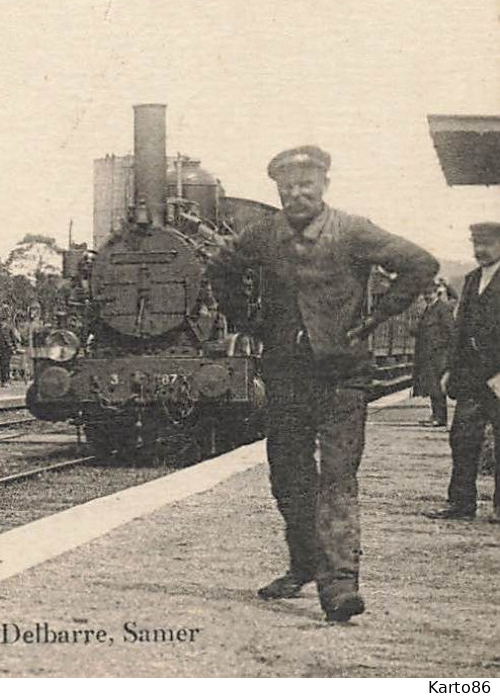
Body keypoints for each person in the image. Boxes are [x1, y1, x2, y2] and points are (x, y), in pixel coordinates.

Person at [207, 145, 436, 622]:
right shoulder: (264, 234)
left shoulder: (353, 230)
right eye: (287, 187)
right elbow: (221, 267)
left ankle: (339, 585)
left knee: (336, 478)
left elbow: (420, 263)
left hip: (342, 377)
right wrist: (247, 320)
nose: (296, 194)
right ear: (278, 190)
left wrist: (379, 315)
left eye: (306, 184)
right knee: (288, 477)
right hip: (287, 375)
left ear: (325, 184)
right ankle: (302, 566)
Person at [427, 222, 500, 522]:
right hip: (471, 374)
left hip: (498, 375)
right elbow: (459, 330)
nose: (479, 250)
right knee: (462, 437)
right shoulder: (471, 280)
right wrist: (450, 370)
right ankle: (461, 503)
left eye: (486, 244)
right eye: (476, 244)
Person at [412, 285, 454, 427]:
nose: (427, 296)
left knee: (436, 386)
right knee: (432, 386)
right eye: (425, 293)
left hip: (438, 355)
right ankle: (435, 415)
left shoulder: (442, 308)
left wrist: (438, 344)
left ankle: (440, 418)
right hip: (428, 354)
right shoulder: (429, 309)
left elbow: (451, 331)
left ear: (437, 293)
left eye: (430, 293)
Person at [0, 318, 19, 386]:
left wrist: (14, 348)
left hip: (7, 348)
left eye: (2, 321)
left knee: (6, 364)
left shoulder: (9, 328)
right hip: (0, 349)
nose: (1, 323)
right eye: (0, 321)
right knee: (1, 364)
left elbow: (13, 338)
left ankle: (6, 380)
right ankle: (3, 380)